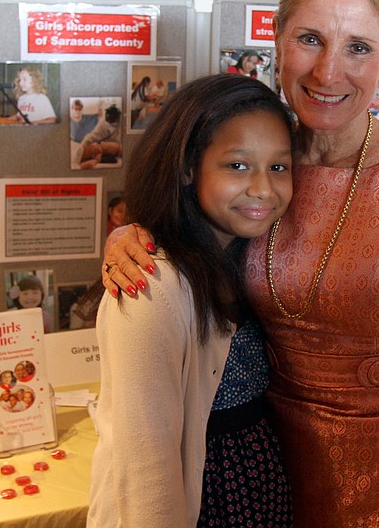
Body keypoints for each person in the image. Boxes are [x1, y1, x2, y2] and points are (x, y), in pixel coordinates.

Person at [101, 0, 379, 527]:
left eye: (359, 47)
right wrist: (135, 237)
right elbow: (192, 236)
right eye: (310, 39)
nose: (328, 72)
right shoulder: (261, 169)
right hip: (280, 476)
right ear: (277, 38)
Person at [87, 74, 295, 527]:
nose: (263, 188)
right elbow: (143, 467)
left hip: (260, 492)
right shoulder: (150, 287)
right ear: (186, 168)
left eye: (279, 167)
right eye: (237, 166)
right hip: (200, 500)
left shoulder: (254, 252)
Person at [79, 104, 123, 169]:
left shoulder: (122, 123)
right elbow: (91, 136)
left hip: (119, 149)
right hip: (105, 151)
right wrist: (81, 149)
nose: (109, 123)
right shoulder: (103, 123)